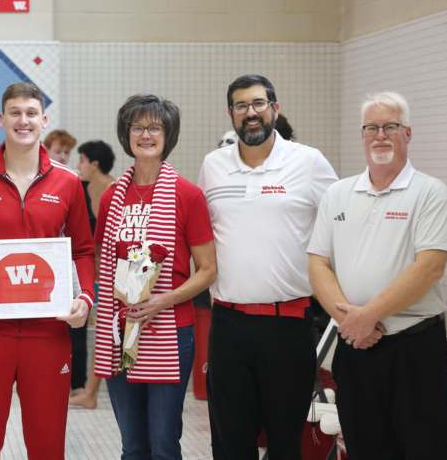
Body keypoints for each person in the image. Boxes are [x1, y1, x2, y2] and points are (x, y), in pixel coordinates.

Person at [0, 82, 95, 460]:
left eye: (31, 113)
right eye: (15, 112)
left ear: (43, 120)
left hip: (48, 332)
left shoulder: (69, 183)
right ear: (1, 119)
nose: (23, 121)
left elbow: (85, 250)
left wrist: (85, 297)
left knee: (46, 447)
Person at [198, 74, 337, 460]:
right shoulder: (213, 166)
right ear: (231, 114)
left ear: (275, 108)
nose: (251, 113)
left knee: (284, 441)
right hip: (228, 326)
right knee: (231, 442)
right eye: (241, 106)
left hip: (288, 325)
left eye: (259, 103)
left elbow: (340, 227)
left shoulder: (308, 162)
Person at [308, 91, 447, 459]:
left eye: (390, 126)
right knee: (364, 447)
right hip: (356, 346)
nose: (380, 135)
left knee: (422, 449)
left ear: (408, 133)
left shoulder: (429, 192)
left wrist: (366, 317)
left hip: (414, 348)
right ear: (362, 135)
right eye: (371, 127)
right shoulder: (338, 194)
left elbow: (430, 266)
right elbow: (318, 264)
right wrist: (350, 322)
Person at [94, 94, 218, 458]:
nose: (145, 134)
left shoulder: (187, 195)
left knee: (163, 443)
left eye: (155, 127)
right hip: (120, 332)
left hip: (170, 329)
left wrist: (163, 299)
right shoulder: (111, 197)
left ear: (168, 134)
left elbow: (208, 269)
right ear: (126, 134)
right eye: (137, 127)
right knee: (132, 445)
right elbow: (103, 261)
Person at [68, 140, 116, 408]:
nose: (79, 166)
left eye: (82, 160)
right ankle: (90, 392)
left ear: (94, 164)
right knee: (101, 333)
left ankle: (91, 393)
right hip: (93, 274)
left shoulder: (116, 189)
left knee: (107, 332)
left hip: (115, 274)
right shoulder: (83, 189)